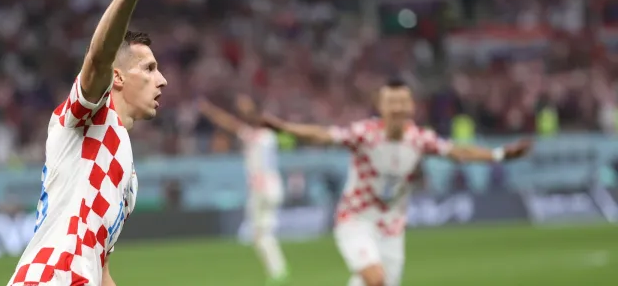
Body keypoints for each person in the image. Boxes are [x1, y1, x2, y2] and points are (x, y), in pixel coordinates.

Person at [6, 0, 170, 286]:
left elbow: (101, 266)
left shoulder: (128, 172)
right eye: (149, 68)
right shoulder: (89, 115)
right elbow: (97, 60)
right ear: (118, 78)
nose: (163, 81)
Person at [262, 78, 531, 286]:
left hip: (392, 228)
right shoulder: (365, 134)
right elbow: (322, 135)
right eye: (391, 102)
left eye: (402, 101)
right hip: (355, 220)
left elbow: (457, 151)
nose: (397, 107)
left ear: (411, 106)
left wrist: (499, 154)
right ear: (381, 106)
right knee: (375, 279)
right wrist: (285, 128)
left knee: (378, 283)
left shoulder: (418, 139)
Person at [198, 95, 290, 285]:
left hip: (262, 188)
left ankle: (278, 273)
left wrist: (209, 110)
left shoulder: (256, 135)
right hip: (273, 186)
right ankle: (277, 271)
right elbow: (235, 123)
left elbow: (231, 123)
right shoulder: (267, 135)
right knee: (264, 233)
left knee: (260, 234)